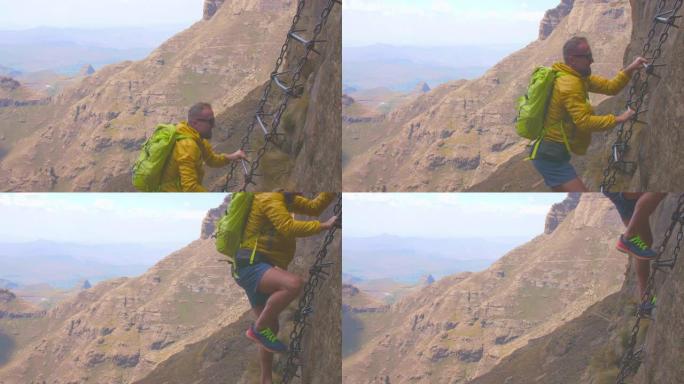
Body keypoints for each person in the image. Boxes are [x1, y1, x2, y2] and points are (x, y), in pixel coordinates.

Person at [232, 192, 337, 384]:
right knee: (292, 284)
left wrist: (332, 192)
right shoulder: (270, 198)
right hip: (253, 264)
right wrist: (323, 225)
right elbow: (287, 227)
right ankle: (258, 328)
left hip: (251, 266)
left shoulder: (286, 199)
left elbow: (314, 208)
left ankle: (266, 379)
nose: (301, 192)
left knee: (272, 327)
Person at [532, 36, 648, 192]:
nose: (592, 60)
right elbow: (584, 122)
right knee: (583, 194)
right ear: (572, 60)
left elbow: (610, 87)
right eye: (587, 56)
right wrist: (620, 118)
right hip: (550, 156)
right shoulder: (570, 84)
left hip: (552, 153)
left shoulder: (579, 78)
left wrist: (630, 68)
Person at [159, 102, 246, 192]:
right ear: (195, 123)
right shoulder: (188, 146)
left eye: (213, 120)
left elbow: (211, 160)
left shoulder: (197, 138)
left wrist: (232, 156)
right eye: (210, 121)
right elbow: (190, 187)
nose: (213, 125)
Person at [604, 192, 666, 314]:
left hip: (619, 196)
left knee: (643, 244)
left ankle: (645, 298)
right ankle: (628, 236)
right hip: (624, 195)